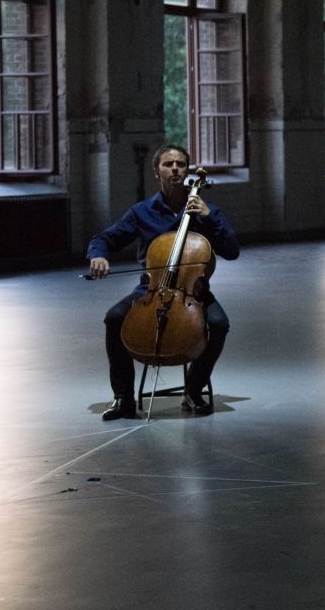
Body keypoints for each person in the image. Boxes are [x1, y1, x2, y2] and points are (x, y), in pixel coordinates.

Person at [86, 145, 240, 419]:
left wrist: (209, 217)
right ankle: (123, 398)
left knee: (219, 324)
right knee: (114, 318)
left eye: (181, 164)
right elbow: (104, 239)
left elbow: (232, 251)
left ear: (187, 170)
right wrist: (98, 255)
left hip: (193, 292)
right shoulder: (142, 212)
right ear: (157, 172)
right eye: (168, 164)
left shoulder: (206, 212)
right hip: (150, 288)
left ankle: (193, 389)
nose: (175, 169)